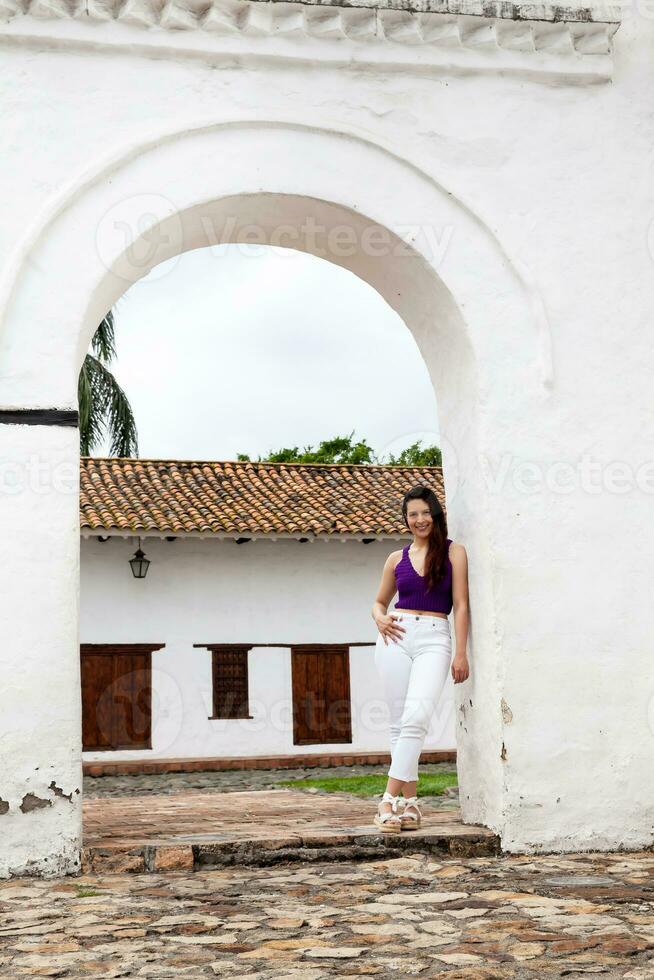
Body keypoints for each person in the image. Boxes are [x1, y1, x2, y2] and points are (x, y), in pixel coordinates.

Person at [370, 484, 470, 833]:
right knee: (399, 723)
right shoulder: (395, 559)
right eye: (413, 514)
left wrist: (460, 651)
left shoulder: (454, 553)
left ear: (435, 515)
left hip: (434, 637)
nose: (419, 519)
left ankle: (386, 798)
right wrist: (378, 616)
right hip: (395, 636)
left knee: (417, 718)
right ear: (406, 519)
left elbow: (461, 605)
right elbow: (379, 602)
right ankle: (409, 803)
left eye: (425, 512)